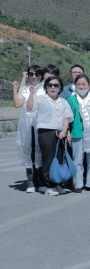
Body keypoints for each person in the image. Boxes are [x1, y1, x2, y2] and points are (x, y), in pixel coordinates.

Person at [26, 76, 74, 196]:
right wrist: (31, 94)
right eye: (50, 85)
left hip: (60, 133)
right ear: (46, 87)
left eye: (56, 85)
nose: (53, 87)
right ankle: (49, 186)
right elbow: (29, 108)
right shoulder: (40, 99)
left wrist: (64, 130)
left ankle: (56, 183)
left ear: (60, 88)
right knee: (48, 159)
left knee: (58, 158)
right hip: (46, 132)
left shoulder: (63, 101)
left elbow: (67, 117)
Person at [13, 65, 44, 193]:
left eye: (37, 74)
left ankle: (41, 181)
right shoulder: (24, 90)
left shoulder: (45, 89)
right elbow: (17, 104)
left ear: (41, 75)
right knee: (28, 153)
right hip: (26, 126)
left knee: (41, 153)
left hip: (41, 125)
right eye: (31, 74)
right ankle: (30, 182)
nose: (34, 77)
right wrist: (15, 89)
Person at [66, 75, 90, 193]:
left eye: (84, 84)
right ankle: (78, 184)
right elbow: (67, 117)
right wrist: (68, 131)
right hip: (77, 132)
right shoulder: (71, 99)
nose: (81, 86)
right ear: (75, 85)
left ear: (89, 86)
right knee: (77, 159)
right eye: (79, 84)